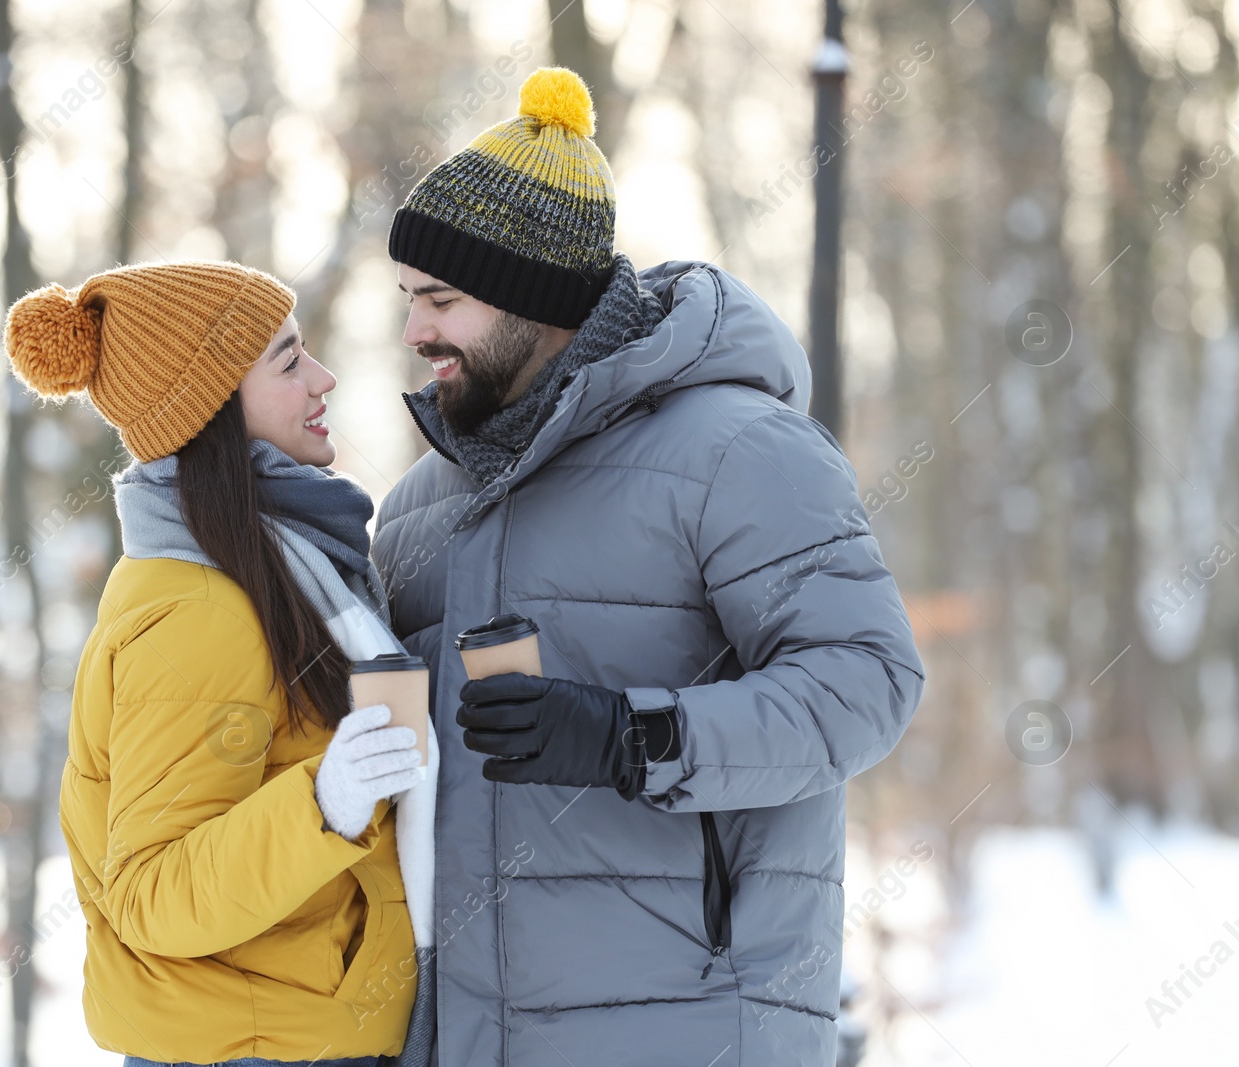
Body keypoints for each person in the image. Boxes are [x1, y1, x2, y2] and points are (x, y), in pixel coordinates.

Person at [371, 67, 926, 1066]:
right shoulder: (421, 503)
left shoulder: (737, 451)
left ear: (529, 298)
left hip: (693, 1026)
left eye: (440, 299)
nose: (414, 331)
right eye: (409, 298)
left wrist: (632, 733)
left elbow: (868, 683)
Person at [3, 260, 439, 1067]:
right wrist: (325, 802)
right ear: (213, 411)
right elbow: (150, 891)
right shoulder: (201, 611)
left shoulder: (269, 569)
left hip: (282, 1032)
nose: (324, 377)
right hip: (247, 1046)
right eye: (287, 361)